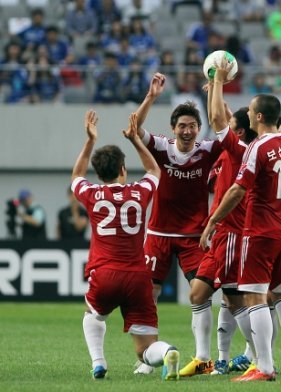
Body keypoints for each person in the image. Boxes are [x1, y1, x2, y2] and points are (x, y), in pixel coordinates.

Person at [201, 93, 281, 382]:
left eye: (251, 110)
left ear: (259, 117)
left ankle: (266, 367)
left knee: (254, 296)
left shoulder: (257, 147)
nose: (247, 113)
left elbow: (237, 190)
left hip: (260, 231)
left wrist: (213, 220)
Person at [72, 110, 180, 381]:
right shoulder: (139, 191)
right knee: (144, 350)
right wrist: (135, 139)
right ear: (123, 169)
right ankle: (167, 352)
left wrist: (89, 141)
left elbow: (76, 176)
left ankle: (99, 363)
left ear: (98, 173)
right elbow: (154, 169)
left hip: (105, 273)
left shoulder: (92, 193)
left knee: (92, 314)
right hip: (138, 276)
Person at [133, 73, 225, 375]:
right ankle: (147, 357)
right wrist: (151, 96)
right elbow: (136, 128)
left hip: (193, 237)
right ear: (174, 129)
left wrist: (216, 95)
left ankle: (203, 358)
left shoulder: (209, 150)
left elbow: (227, 132)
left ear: (199, 129)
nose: (187, 130)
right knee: (148, 297)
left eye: (192, 126)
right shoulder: (161, 147)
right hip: (158, 234)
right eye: (182, 126)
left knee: (202, 294)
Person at [184, 65, 259, 377]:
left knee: (206, 294)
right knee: (230, 297)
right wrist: (216, 91)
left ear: (237, 132)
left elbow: (218, 120)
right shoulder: (241, 145)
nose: (225, 126)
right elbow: (224, 116)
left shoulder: (240, 149)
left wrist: (217, 81)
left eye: (232, 125)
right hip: (227, 232)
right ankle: (217, 358)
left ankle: (255, 356)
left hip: (231, 232)